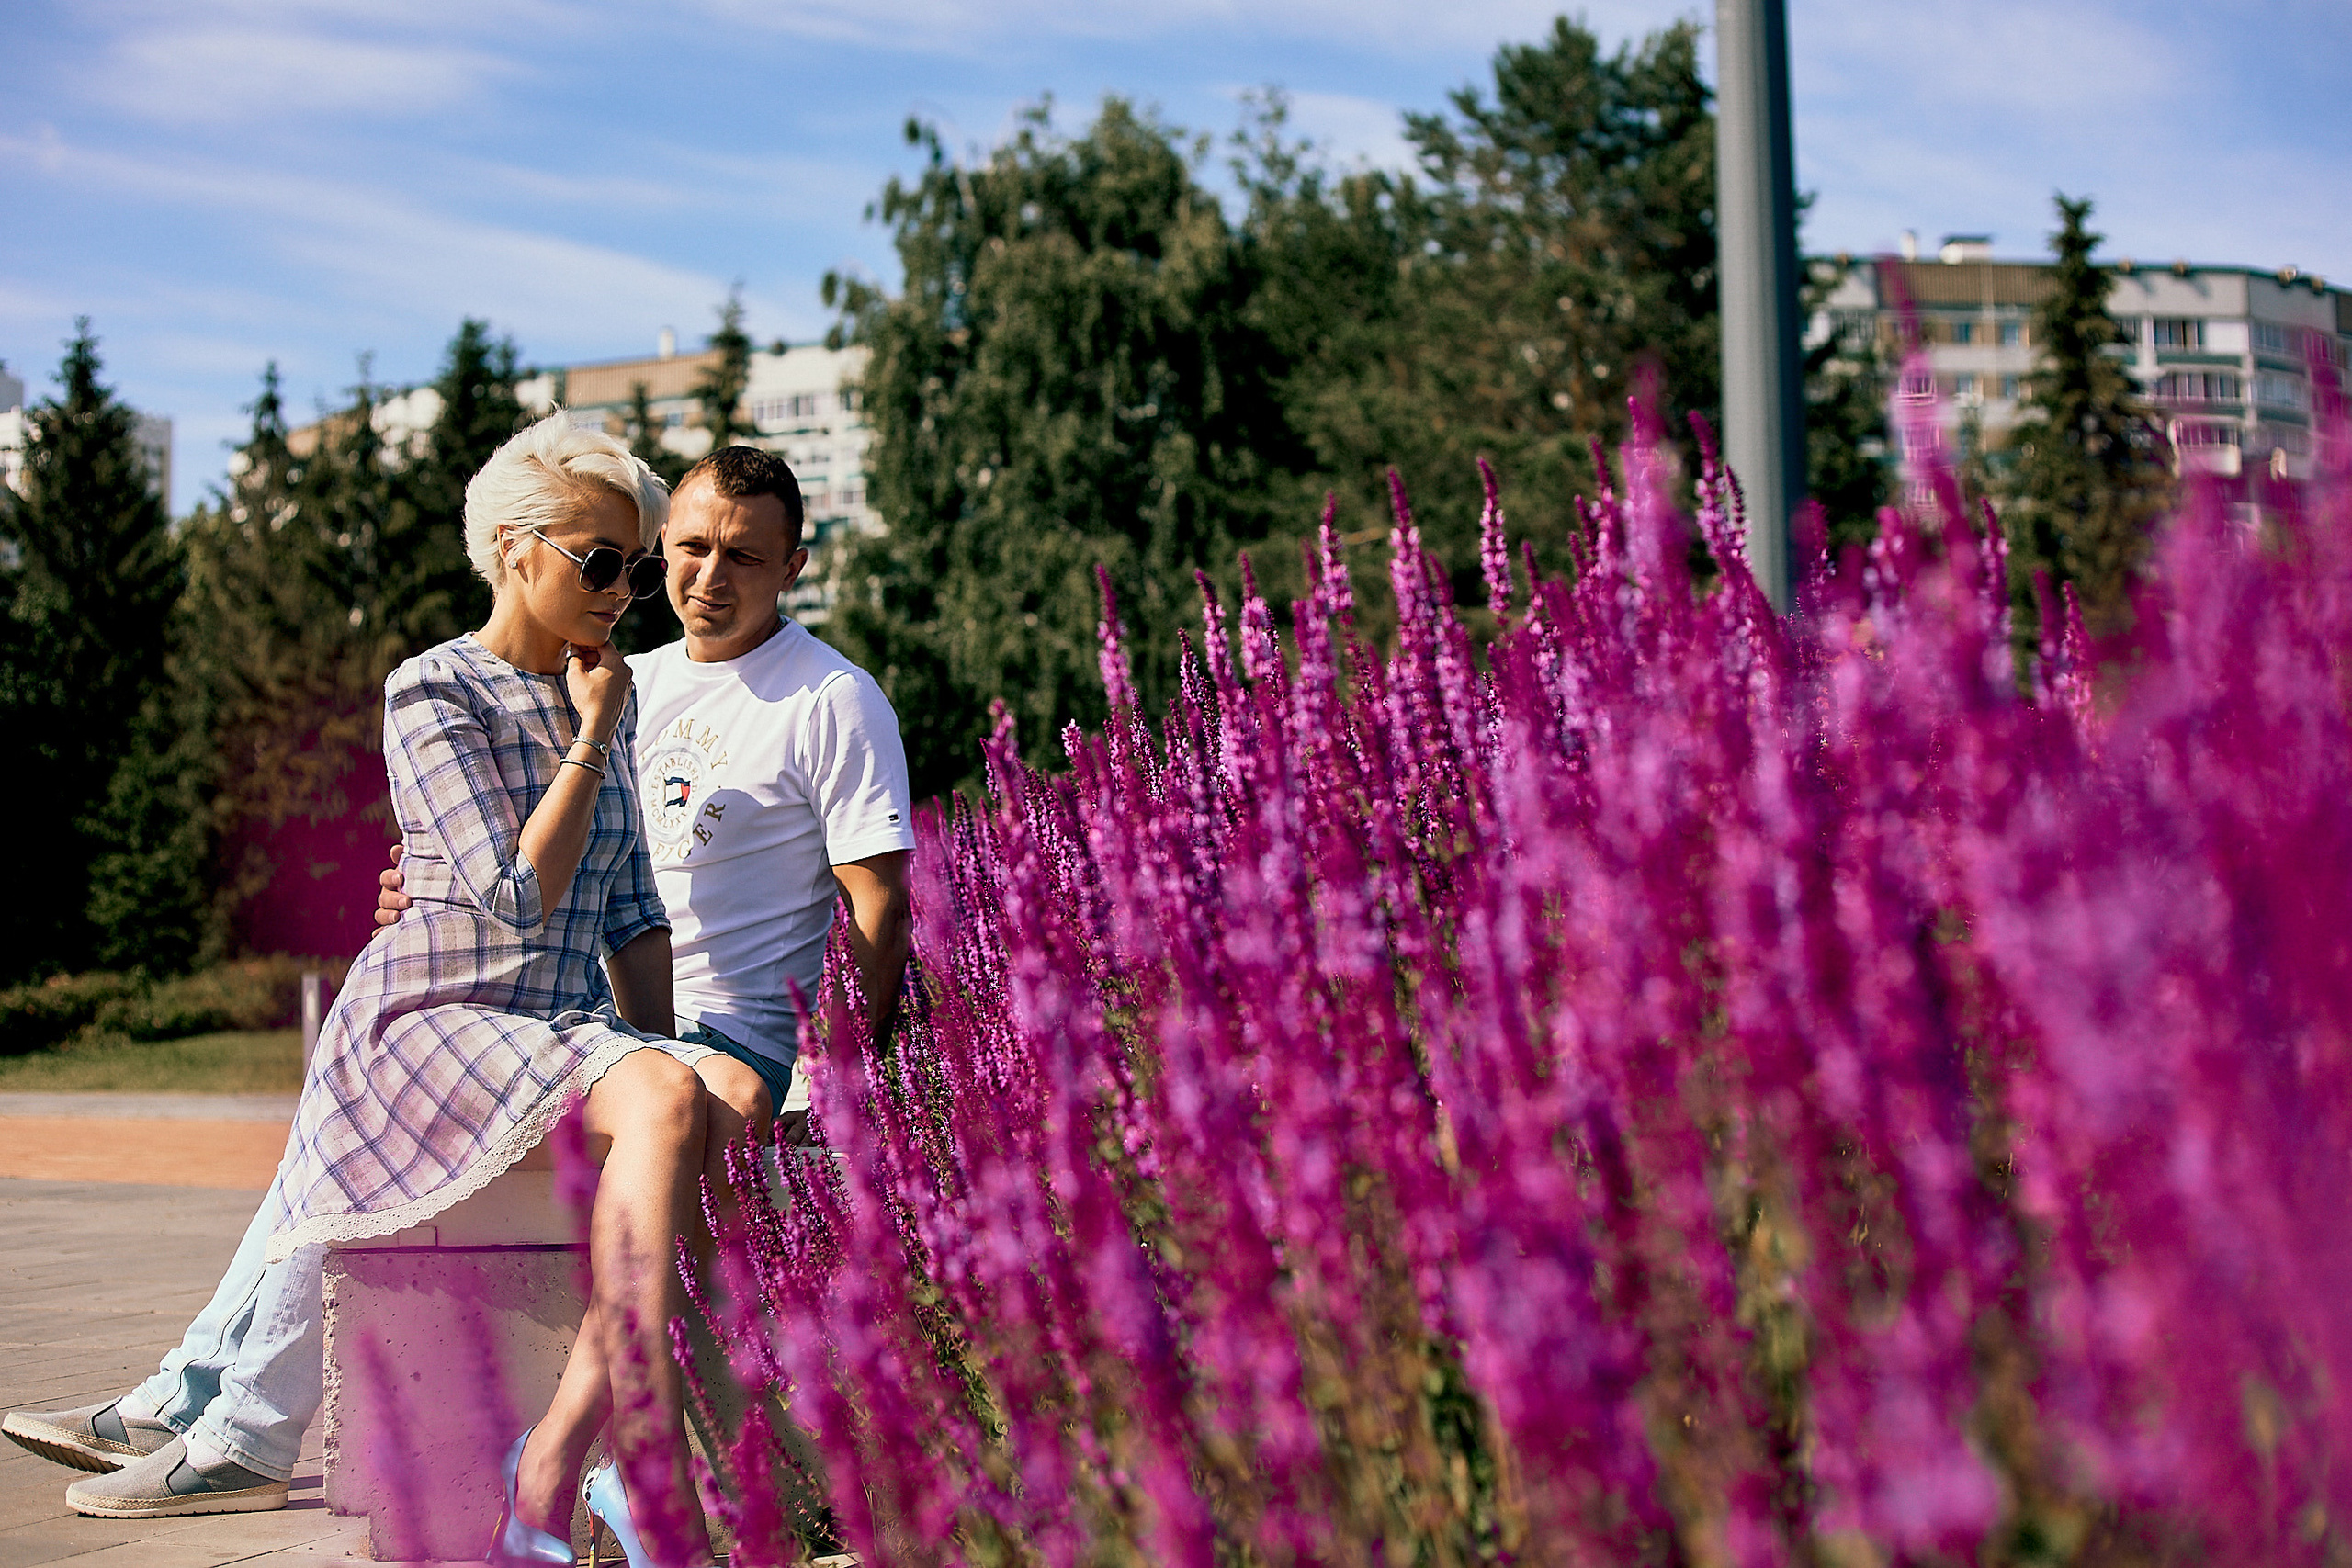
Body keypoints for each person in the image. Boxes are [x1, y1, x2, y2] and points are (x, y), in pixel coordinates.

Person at [4, 434, 916, 1558]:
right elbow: (508, 877)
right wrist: (429, 873)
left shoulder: (819, 695)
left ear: (793, 565)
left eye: (726, 557)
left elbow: (799, 906)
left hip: (662, 1022)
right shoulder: (596, 683)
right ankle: (213, 1401)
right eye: (651, 556)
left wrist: (822, 1070)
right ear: (519, 550)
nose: (669, 583)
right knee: (346, 1139)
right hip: (506, 1006)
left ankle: (246, 1413)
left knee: (573, 1110)